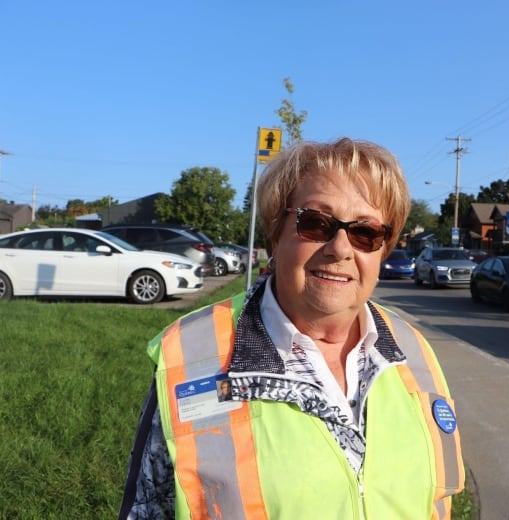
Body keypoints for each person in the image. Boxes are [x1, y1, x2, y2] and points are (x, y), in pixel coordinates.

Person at [118, 137, 464, 519]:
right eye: (316, 223)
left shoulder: (412, 351)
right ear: (274, 234)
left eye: (365, 232)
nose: (341, 248)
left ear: (383, 248)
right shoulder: (194, 353)